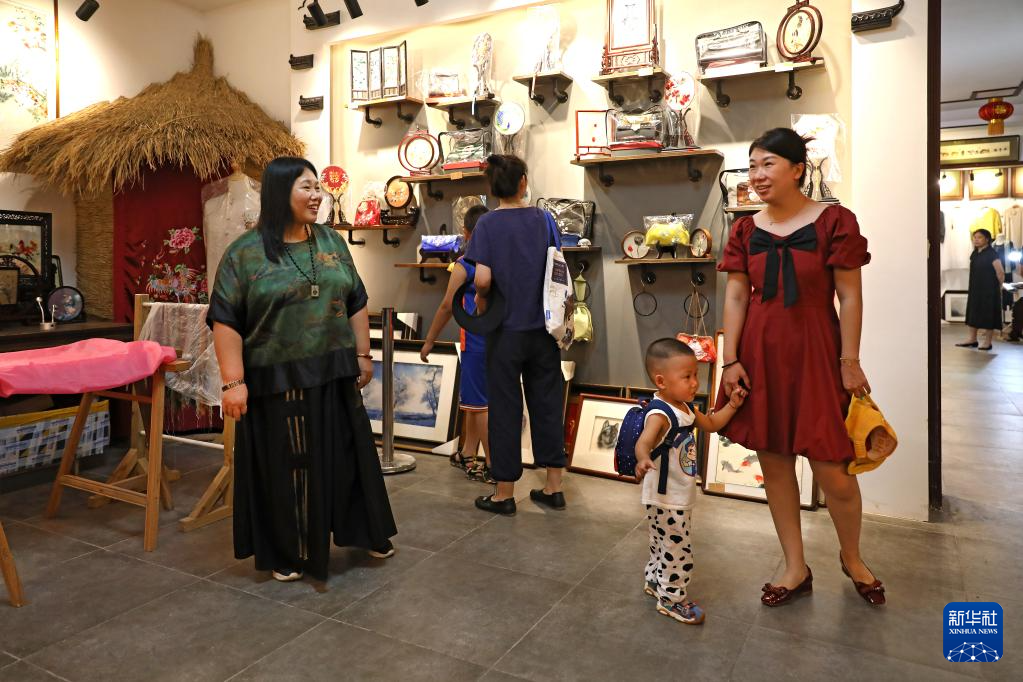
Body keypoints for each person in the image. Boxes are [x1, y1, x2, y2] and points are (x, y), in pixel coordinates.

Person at [716, 128, 886, 607]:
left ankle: (852, 557)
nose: (757, 175)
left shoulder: (834, 221)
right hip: (761, 355)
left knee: (836, 472)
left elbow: (849, 296)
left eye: (767, 164)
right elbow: (736, 296)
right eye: (752, 166)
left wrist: (849, 360)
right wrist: (730, 359)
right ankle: (795, 567)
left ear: (796, 169)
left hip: (817, 353)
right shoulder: (745, 230)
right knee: (775, 465)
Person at [209, 156, 397, 583]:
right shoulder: (244, 253)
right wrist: (233, 382)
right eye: (306, 187)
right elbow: (226, 321)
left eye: (318, 188)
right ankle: (288, 551)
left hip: (334, 371)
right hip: (278, 379)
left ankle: (363, 531)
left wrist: (363, 354)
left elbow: (356, 300)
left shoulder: (331, 240)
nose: (316, 196)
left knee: (349, 457)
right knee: (290, 464)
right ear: (280, 193)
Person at [463, 154, 567, 515]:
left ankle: (504, 493)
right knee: (547, 404)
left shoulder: (487, 224)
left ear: (492, 188)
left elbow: (482, 280)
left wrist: (481, 302)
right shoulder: (544, 219)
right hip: (544, 330)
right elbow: (557, 265)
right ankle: (554, 487)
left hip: (504, 331)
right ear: (523, 182)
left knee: (505, 410)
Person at [635, 339, 747, 625]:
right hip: (666, 496)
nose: (695, 382)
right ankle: (672, 599)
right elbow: (644, 441)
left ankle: (655, 581)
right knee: (677, 549)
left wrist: (732, 406)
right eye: (686, 376)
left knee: (661, 541)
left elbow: (712, 424)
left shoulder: (684, 408)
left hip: (674, 493)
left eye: (695, 374)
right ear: (661, 381)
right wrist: (643, 458)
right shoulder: (660, 413)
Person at [421, 204, 493, 483]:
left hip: (474, 342)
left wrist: (429, 341)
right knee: (475, 402)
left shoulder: (465, 264)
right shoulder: (499, 261)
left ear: (466, 232)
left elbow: (446, 306)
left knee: (480, 405)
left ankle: (493, 465)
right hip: (499, 341)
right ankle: (467, 453)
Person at [956, 228, 1005, 351]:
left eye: (979, 237)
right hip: (975, 289)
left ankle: (988, 342)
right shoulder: (975, 253)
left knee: (988, 314)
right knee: (973, 312)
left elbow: (1000, 272)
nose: (976, 240)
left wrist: (999, 287)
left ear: (987, 239)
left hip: (989, 290)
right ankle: (972, 339)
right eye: (974, 237)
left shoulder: (992, 253)